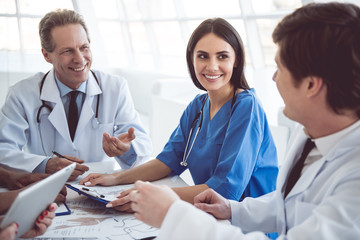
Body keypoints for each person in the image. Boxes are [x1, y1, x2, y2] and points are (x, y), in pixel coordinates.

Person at [126, 2, 360, 239]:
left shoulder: (355, 178)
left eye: (279, 68)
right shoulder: (310, 134)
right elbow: (286, 203)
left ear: (311, 85)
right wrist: (231, 208)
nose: (273, 77)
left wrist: (173, 215)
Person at [80, 18, 278, 208]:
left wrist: (151, 197)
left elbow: (225, 189)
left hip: (245, 225)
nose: (212, 66)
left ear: (236, 60)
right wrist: (115, 178)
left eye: (222, 56)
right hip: (208, 213)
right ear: (192, 59)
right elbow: (168, 161)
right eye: (203, 56)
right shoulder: (198, 107)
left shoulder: (246, 107)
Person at [0, 9, 152, 180]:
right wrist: (45, 164)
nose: (79, 59)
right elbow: (3, 151)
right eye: (67, 51)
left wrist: (126, 149)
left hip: (98, 184)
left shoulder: (115, 88)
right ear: (46, 55)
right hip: (46, 185)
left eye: (84, 47)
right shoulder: (21, 94)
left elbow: (142, 147)